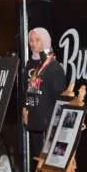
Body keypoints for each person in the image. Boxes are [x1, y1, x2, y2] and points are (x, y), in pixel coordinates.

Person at [22, 27, 67, 159]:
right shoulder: (33, 65)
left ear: (46, 41)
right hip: (35, 117)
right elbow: (29, 90)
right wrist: (26, 108)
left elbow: (59, 96)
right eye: (31, 40)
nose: (33, 43)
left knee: (51, 159)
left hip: (49, 121)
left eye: (37, 40)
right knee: (38, 157)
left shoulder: (54, 66)